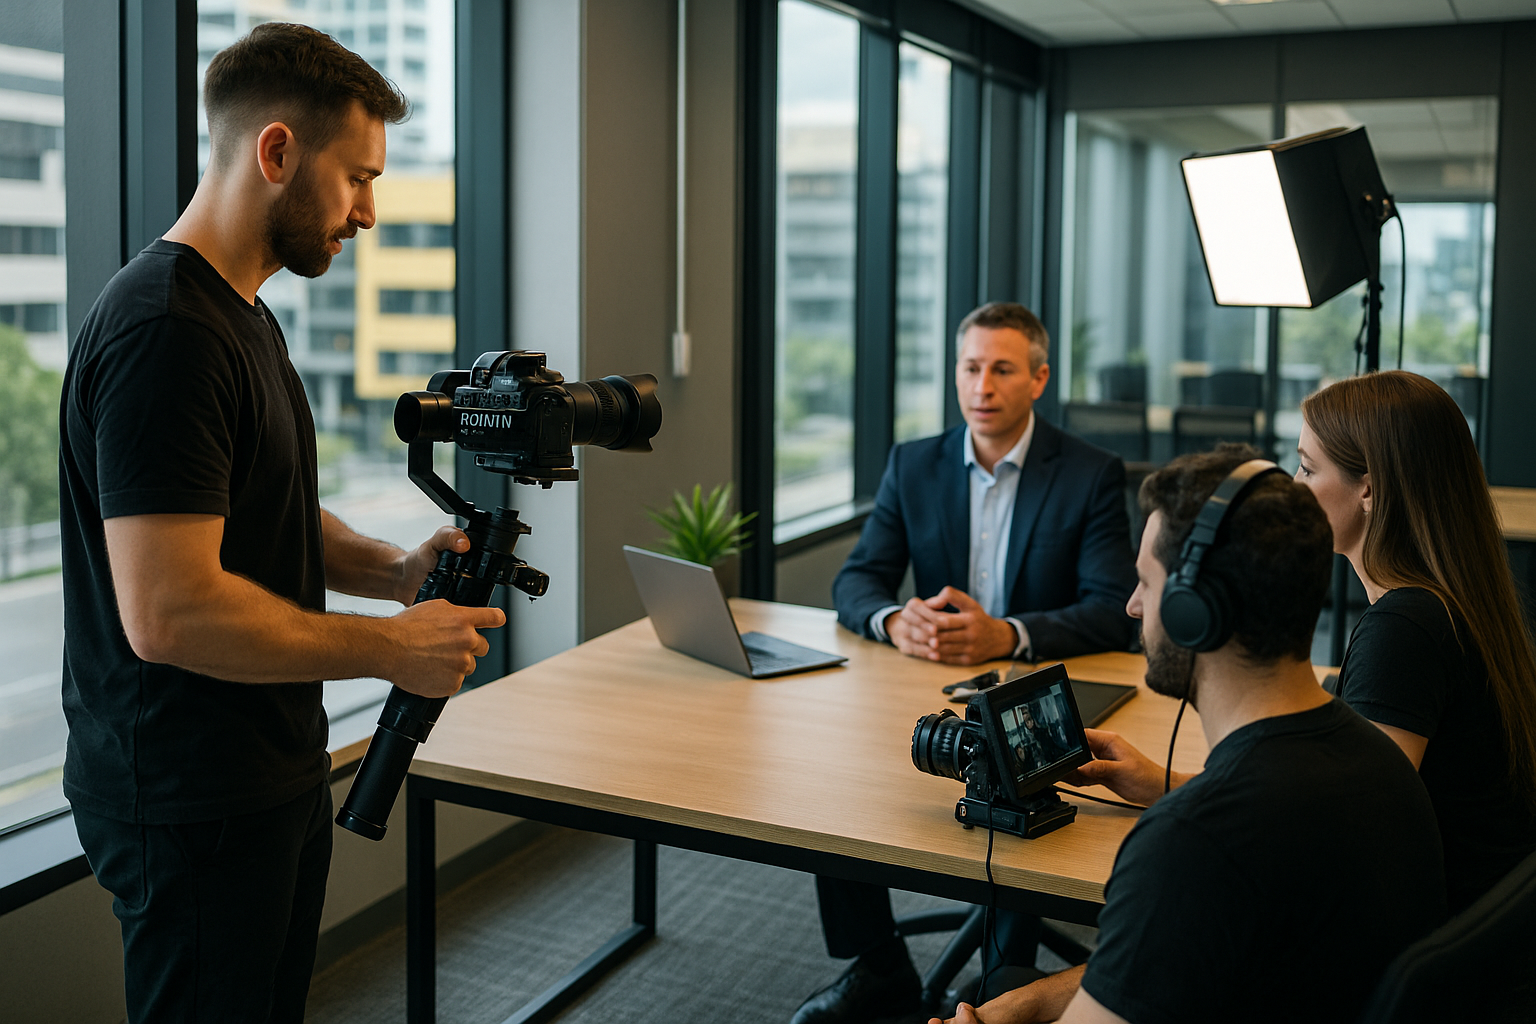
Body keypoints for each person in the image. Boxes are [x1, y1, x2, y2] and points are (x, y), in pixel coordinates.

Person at [59, 25, 505, 1023]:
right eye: (356, 178)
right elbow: (169, 611)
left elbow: (266, 507)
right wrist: (394, 647)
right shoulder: (164, 331)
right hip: (190, 799)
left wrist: (395, 571)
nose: (370, 212)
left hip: (262, 770)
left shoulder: (239, 314)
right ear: (275, 153)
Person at [932, 446, 1446, 1024]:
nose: (1131, 607)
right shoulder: (1381, 764)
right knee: (1011, 984)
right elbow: (1174, 948)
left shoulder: (1188, 844)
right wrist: (1026, 1004)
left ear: (1193, 614)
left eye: (1146, 585)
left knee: (994, 978)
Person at [794, 303, 1138, 1024]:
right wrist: (895, 619)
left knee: (1015, 786)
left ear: (1039, 378)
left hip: (1034, 695)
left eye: (1002, 369)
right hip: (922, 688)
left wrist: (1007, 634)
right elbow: (856, 580)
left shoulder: (1091, 474)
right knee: (827, 774)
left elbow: (1114, 608)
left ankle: (1000, 985)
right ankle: (880, 962)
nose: (981, 386)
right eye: (970, 367)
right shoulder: (914, 463)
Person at [1297, 370, 1536, 913]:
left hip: (1432, 963)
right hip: (1481, 940)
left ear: (1370, 486)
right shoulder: (1450, 602)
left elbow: (1353, 829)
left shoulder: (1405, 629)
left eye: (1308, 468)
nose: (1293, 486)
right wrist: (1169, 785)